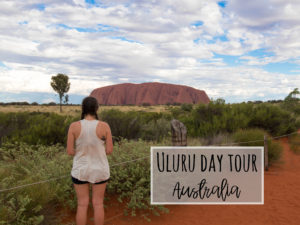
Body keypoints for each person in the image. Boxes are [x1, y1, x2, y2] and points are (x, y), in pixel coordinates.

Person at [66, 96, 113, 225]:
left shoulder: (74, 126)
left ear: (83, 109)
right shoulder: (104, 126)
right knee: (98, 204)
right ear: (96, 109)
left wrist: (82, 153)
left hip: (80, 170)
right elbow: (109, 150)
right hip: (100, 169)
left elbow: (70, 151)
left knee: (82, 205)